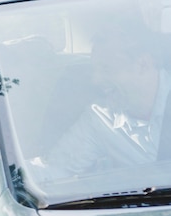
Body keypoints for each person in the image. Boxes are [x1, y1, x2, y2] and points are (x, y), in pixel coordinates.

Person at [28, 26, 169, 181]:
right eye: (94, 69)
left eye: (106, 69)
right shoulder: (100, 118)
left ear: (143, 65)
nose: (96, 80)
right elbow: (55, 169)